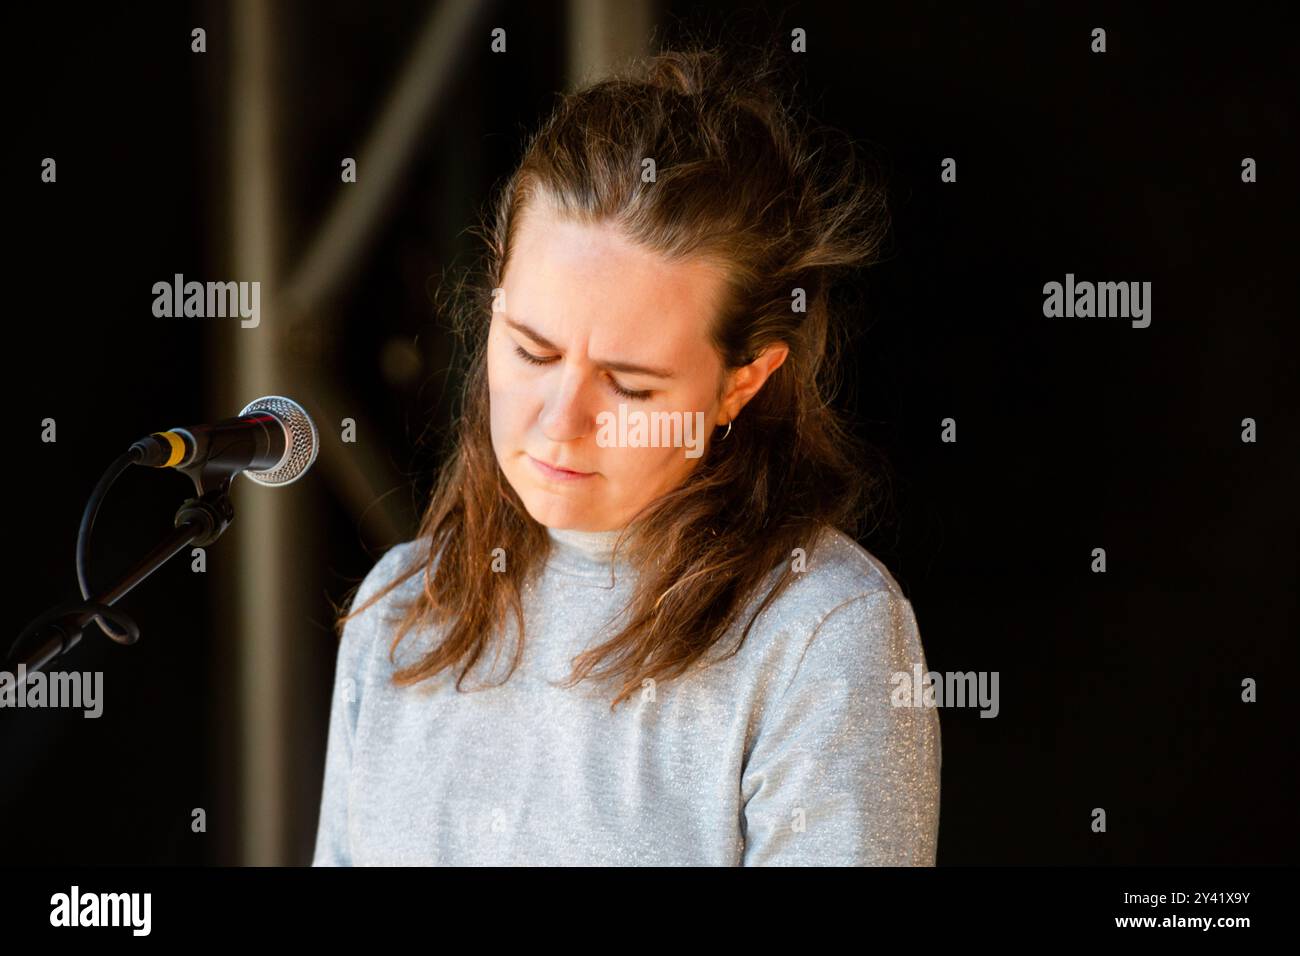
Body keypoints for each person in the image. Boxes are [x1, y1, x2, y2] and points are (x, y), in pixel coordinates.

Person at [312, 44, 940, 866]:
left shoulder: (820, 634)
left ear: (741, 385)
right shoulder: (400, 606)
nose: (561, 421)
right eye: (532, 351)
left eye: (630, 387)